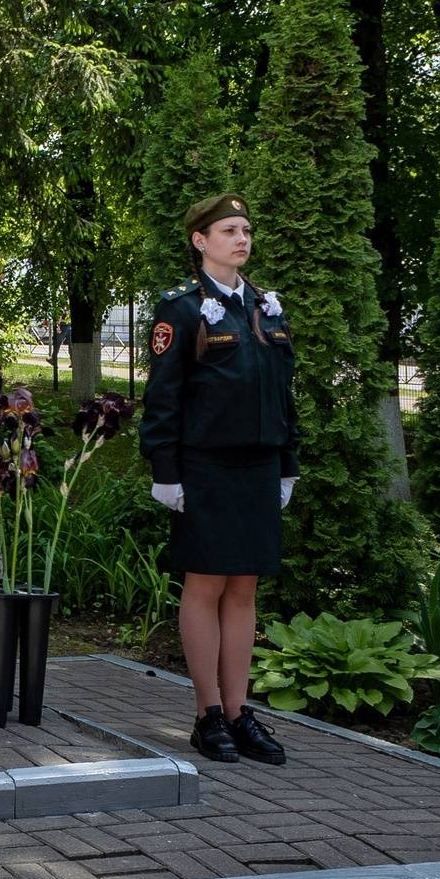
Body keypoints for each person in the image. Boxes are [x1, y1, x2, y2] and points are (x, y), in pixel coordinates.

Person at [137, 192, 299, 767]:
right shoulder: (180, 309)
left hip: (258, 468)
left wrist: (288, 463)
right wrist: (165, 470)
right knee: (205, 585)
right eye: (229, 230)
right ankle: (207, 715)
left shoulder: (267, 307)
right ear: (200, 241)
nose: (241, 238)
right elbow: (163, 397)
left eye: (246, 230)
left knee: (244, 587)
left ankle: (238, 712)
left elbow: (285, 394)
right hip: (204, 467)